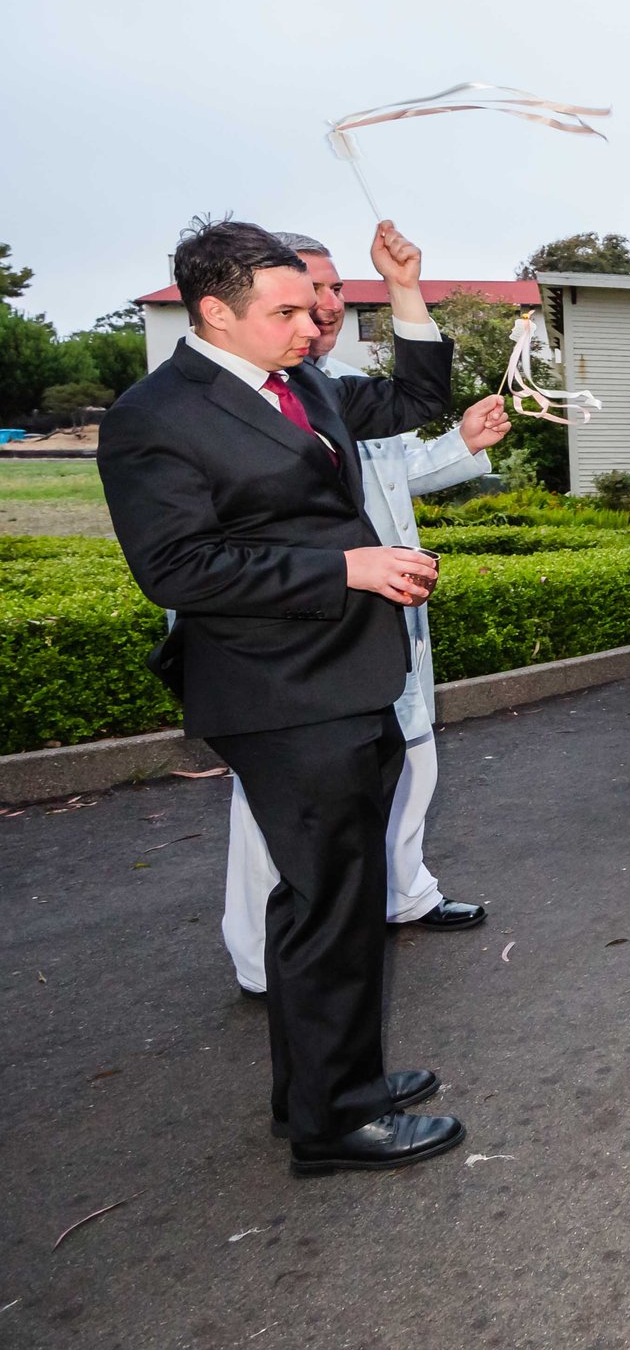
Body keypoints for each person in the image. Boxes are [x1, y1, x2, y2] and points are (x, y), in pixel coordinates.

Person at [100, 217, 463, 1174]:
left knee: (326, 898)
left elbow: (422, 392)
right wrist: (347, 566)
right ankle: (336, 1123)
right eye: (291, 310)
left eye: (315, 304)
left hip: (347, 678)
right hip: (279, 691)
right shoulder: (155, 415)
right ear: (214, 311)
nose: (314, 325)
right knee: (332, 900)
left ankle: (320, 1084)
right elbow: (179, 567)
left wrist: (409, 289)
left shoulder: (299, 382)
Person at [216, 233, 505, 998]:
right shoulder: (233, 401)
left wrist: (462, 443)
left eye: (337, 287)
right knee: (280, 814)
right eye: (307, 290)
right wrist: (349, 568)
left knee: (408, 758)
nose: (326, 304)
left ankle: (402, 893)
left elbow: (401, 462)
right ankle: (260, 961)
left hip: (385, 614)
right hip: (298, 638)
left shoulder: (333, 383)